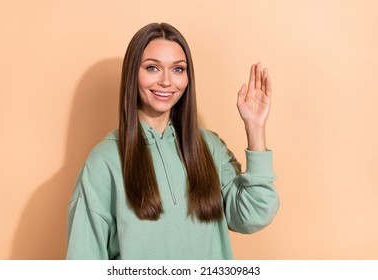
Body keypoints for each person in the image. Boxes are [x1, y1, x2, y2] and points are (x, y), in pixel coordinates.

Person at [66, 22, 279, 260]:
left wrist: (255, 127)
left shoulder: (209, 147)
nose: (167, 82)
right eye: (152, 68)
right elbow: (83, 258)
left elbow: (255, 214)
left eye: (178, 69)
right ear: (132, 74)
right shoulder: (105, 160)